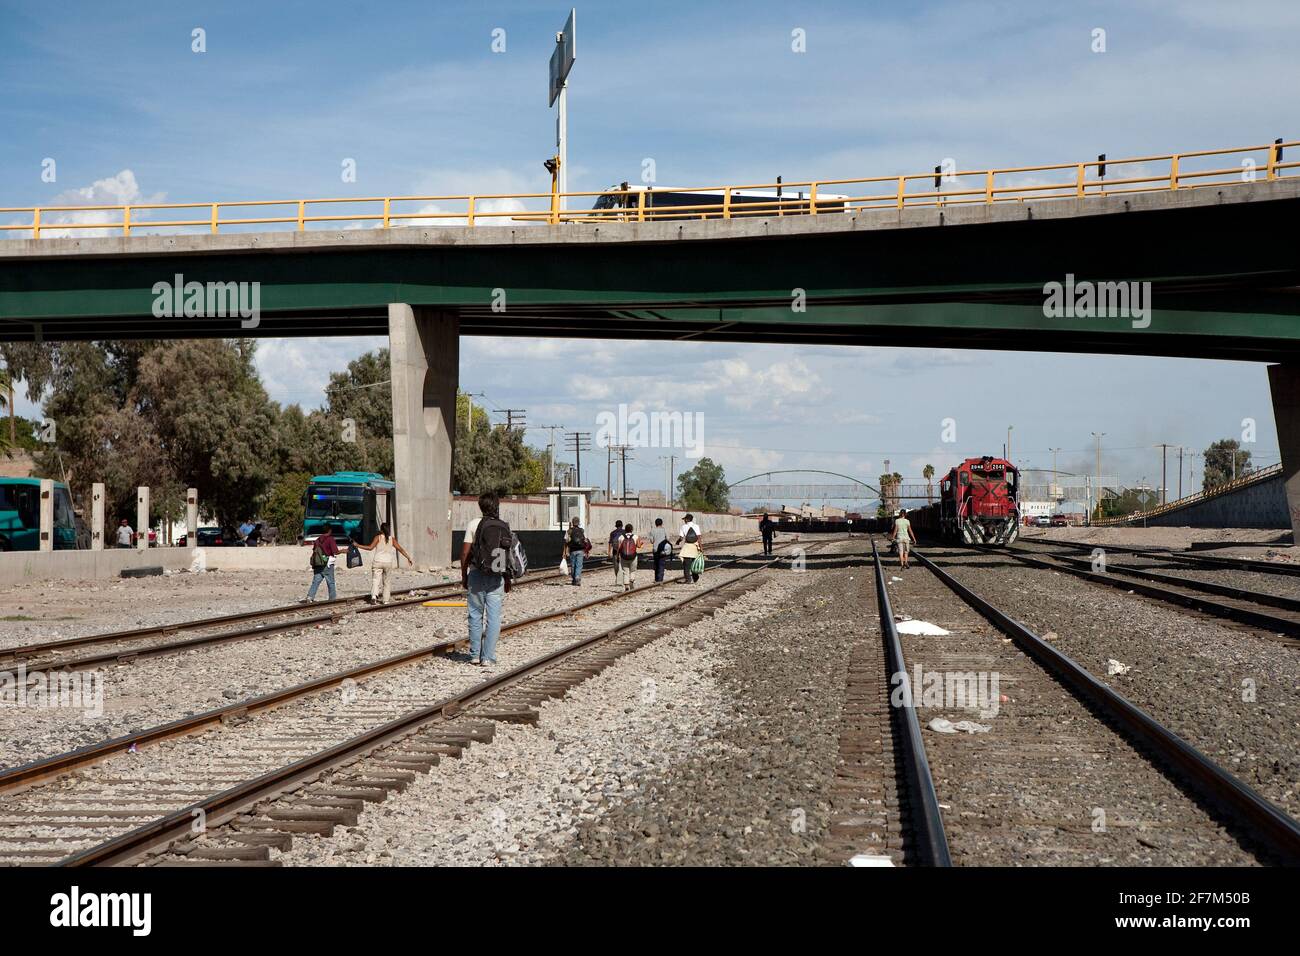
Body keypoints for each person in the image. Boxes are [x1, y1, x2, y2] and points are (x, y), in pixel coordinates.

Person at [462, 491, 512, 667]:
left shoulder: (474, 524)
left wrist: (464, 575)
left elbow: (465, 553)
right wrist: (507, 579)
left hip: (476, 574)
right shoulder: (503, 525)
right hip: (497, 575)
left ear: (480, 506)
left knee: (475, 615)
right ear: (497, 505)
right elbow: (507, 555)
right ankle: (488, 657)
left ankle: (475, 655)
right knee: (494, 618)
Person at [355, 522, 412, 604]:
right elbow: (400, 549)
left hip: (378, 561)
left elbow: (370, 548)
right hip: (388, 562)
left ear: (381, 529)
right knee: (387, 582)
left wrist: (358, 545)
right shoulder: (392, 539)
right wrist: (408, 557)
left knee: (376, 579)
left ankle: (374, 596)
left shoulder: (378, 537)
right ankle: (385, 600)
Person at [305, 530, 340, 602]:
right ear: (329, 531)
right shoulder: (330, 539)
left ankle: (310, 596)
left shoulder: (317, 540)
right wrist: (343, 551)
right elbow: (335, 551)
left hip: (317, 563)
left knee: (316, 581)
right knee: (330, 582)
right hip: (327, 564)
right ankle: (332, 599)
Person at [677, 513, 703, 583]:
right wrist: (701, 547)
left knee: (686, 564)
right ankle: (695, 577)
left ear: (687, 519)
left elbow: (681, 538)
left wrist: (678, 541)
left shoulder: (683, 527)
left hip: (687, 547)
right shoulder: (696, 526)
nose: (684, 520)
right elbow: (699, 538)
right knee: (695, 563)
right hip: (695, 546)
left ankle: (688, 579)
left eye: (685, 519)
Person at [616, 522, 641, 591]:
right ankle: (632, 580)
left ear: (625, 530)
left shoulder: (621, 537)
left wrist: (617, 556)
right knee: (633, 570)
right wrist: (640, 543)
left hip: (624, 557)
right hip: (633, 557)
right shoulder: (635, 537)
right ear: (632, 529)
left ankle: (626, 585)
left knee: (625, 571)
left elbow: (619, 548)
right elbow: (638, 546)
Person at [565, 516, 589, 586]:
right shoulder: (582, 530)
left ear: (572, 523)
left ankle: (574, 579)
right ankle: (577, 577)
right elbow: (585, 541)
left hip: (572, 550)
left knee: (573, 565)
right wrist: (587, 551)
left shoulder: (569, 531)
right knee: (579, 565)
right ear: (578, 523)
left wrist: (565, 551)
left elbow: (566, 541)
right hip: (581, 550)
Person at [649, 517, 671, 582]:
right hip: (663, 550)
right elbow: (668, 539)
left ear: (655, 524)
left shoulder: (652, 530)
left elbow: (652, 541)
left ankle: (656, 579)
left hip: (655, 549)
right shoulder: (665, 530)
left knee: (656, 564)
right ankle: (660, 579)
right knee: (661, 564)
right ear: (662, 523)